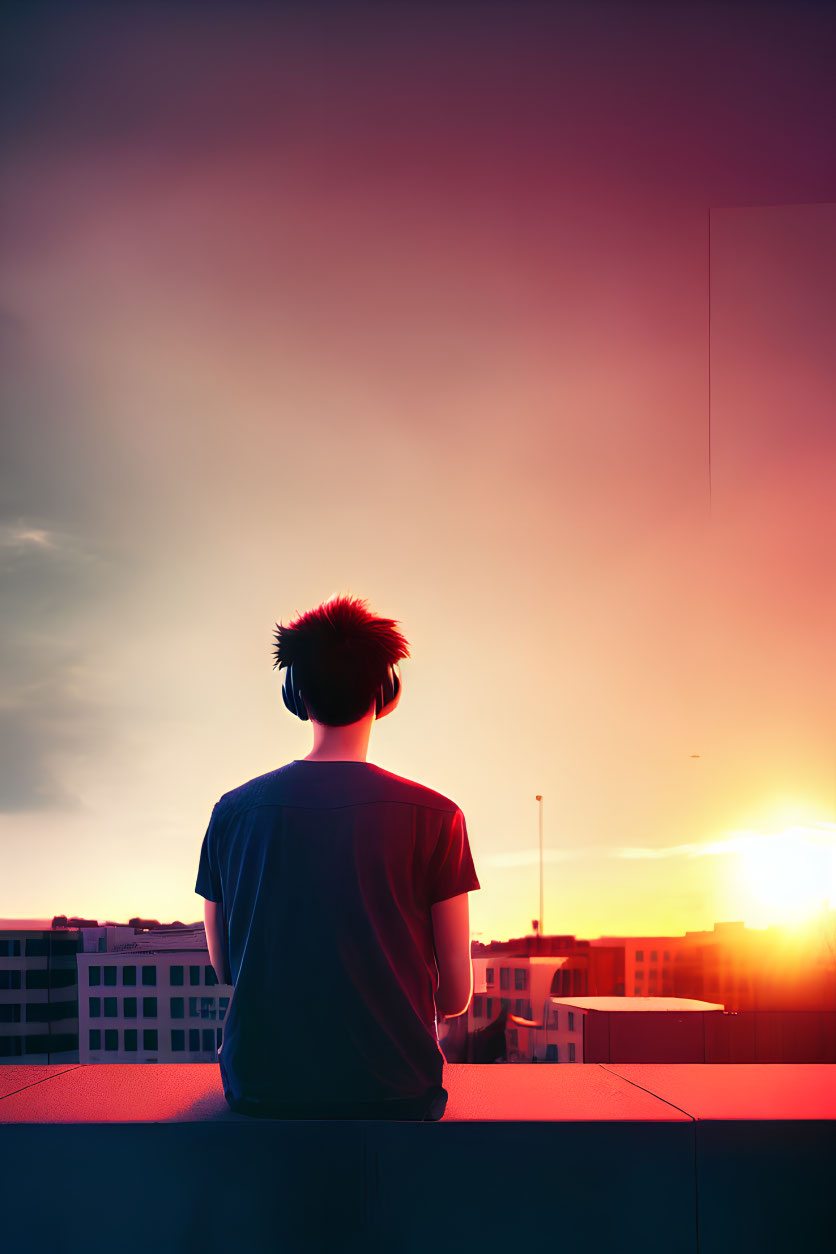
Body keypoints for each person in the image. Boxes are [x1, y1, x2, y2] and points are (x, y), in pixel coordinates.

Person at [195, 592, 480, 1121]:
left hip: (263, 1090)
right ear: (387, 692)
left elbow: (226, 966)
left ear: (295, 695)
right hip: (396, 1090)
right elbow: (456, 996)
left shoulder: (232, 812)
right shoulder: (439, 816)